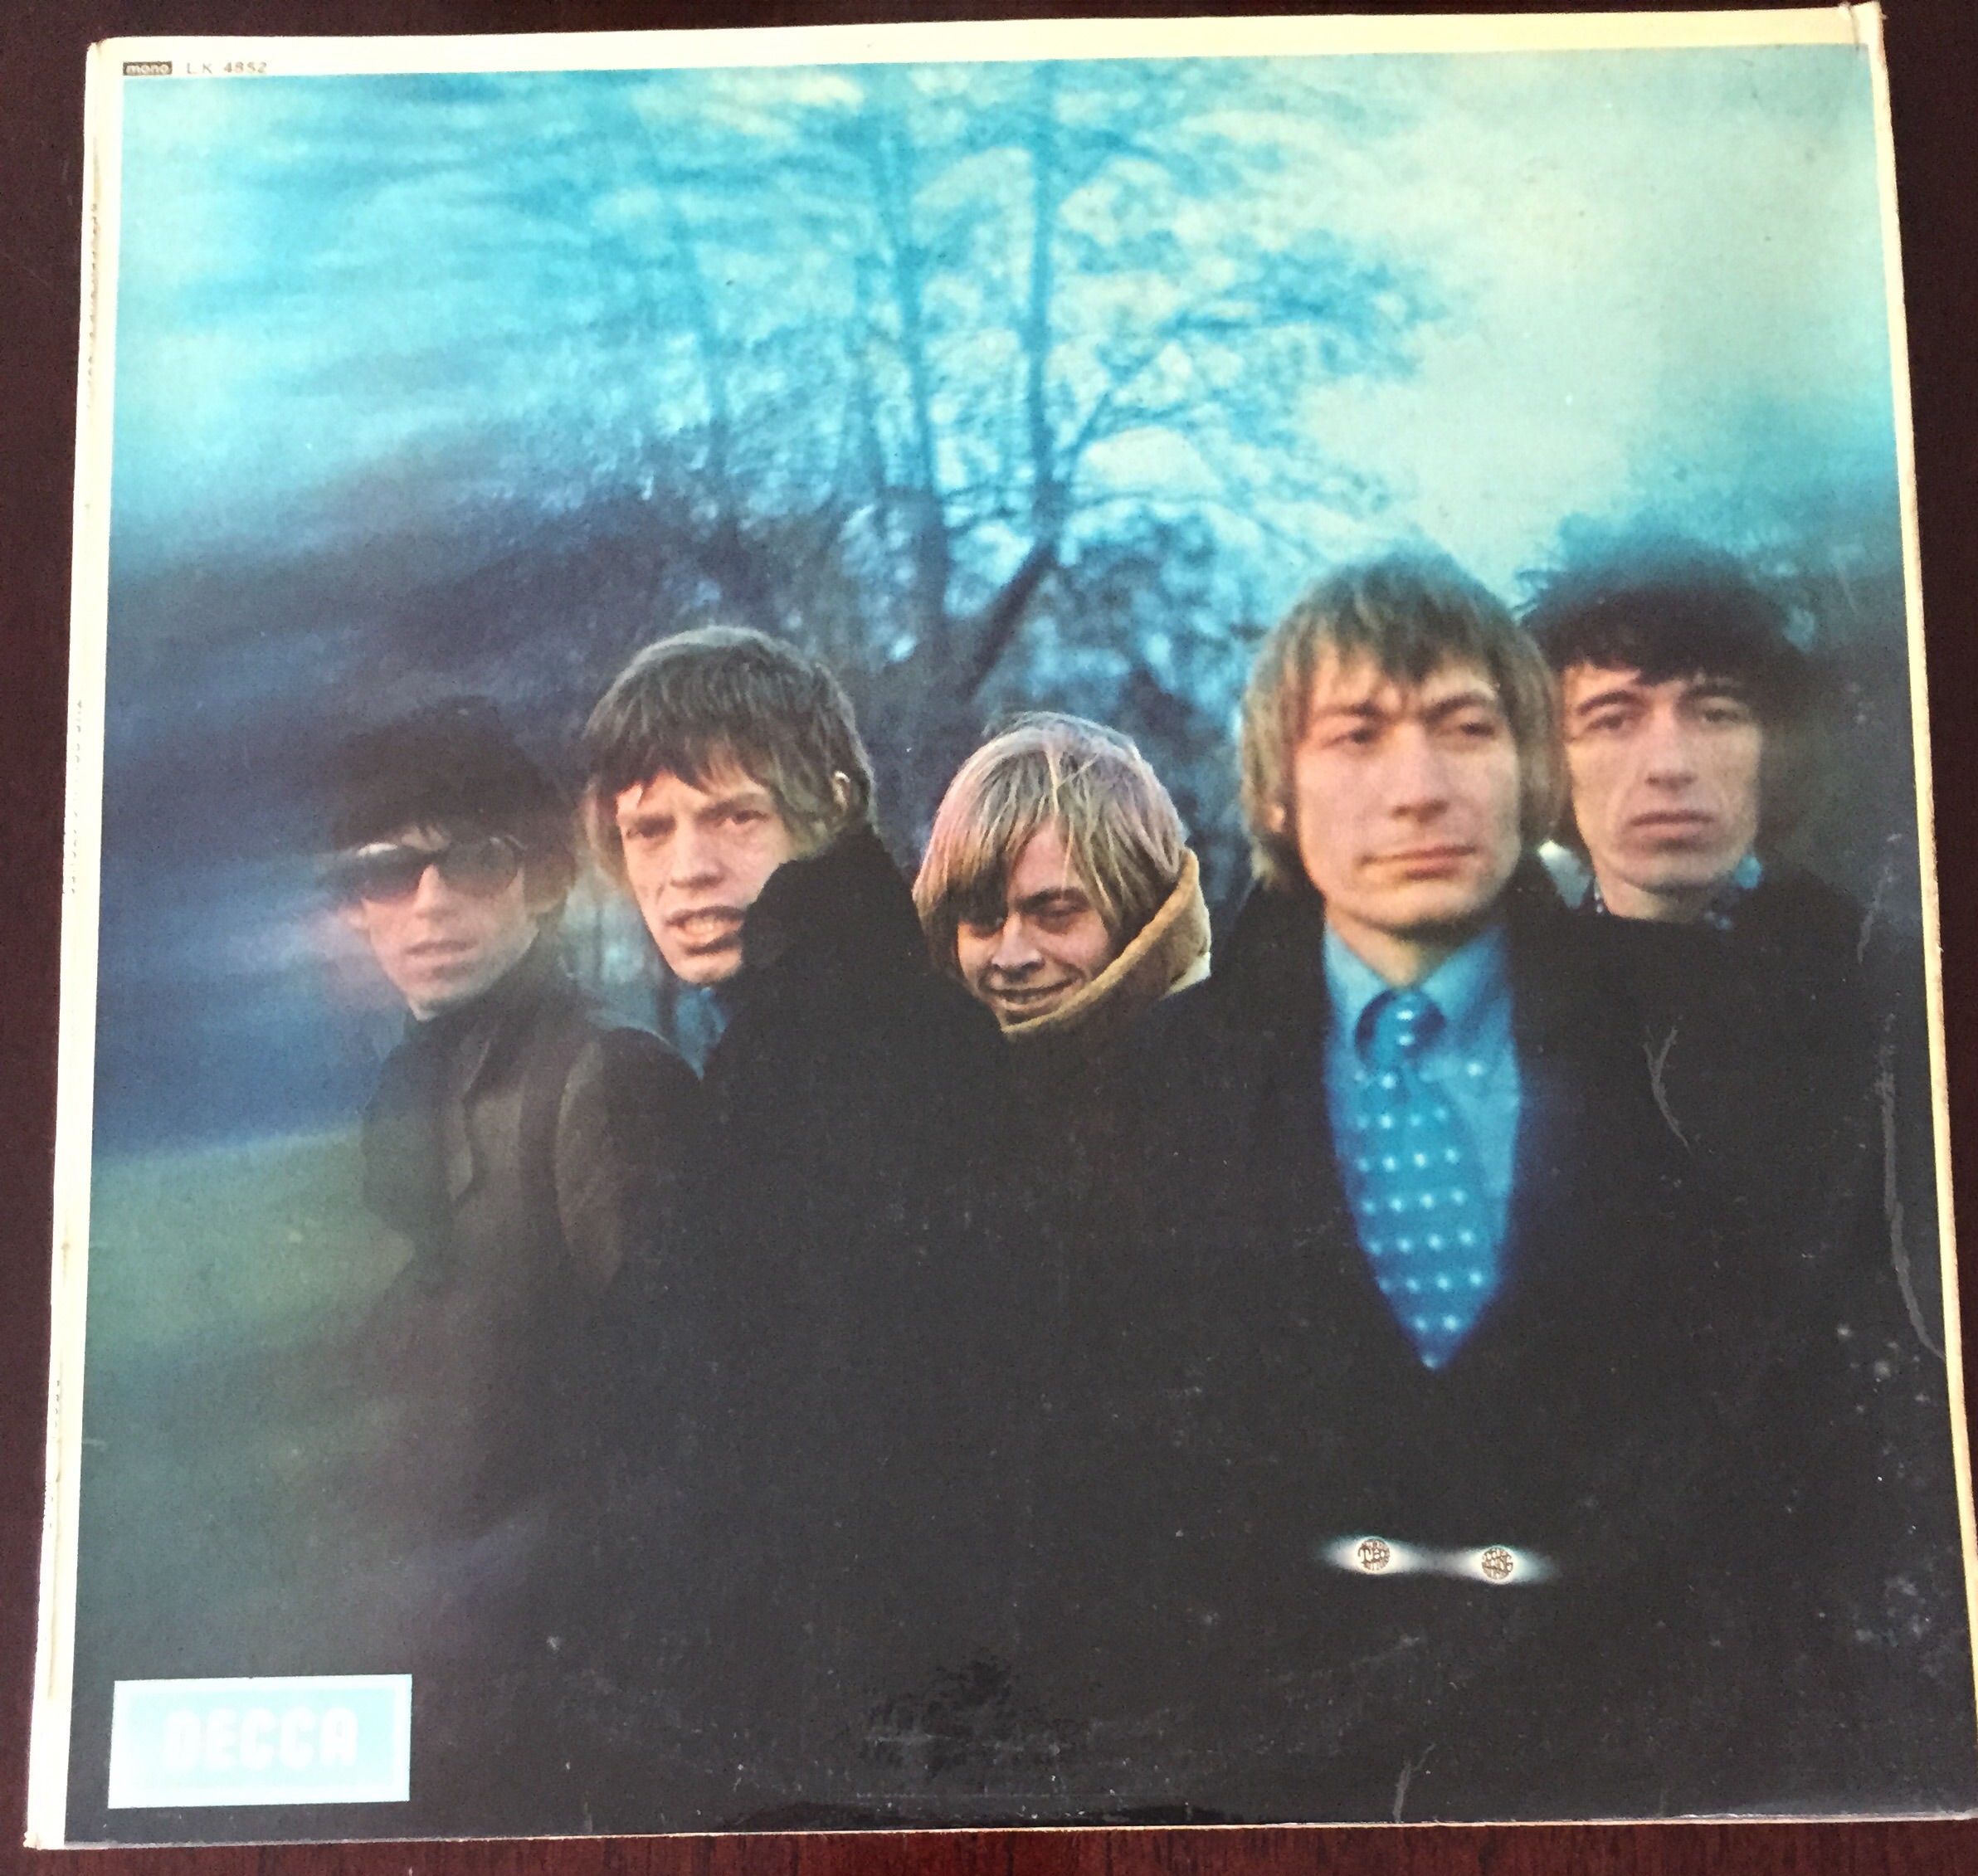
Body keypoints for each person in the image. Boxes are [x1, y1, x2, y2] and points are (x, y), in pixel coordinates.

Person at [1035, 553, 1853, 1822]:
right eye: (1356, 736)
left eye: (1465, 728)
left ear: (1532, 771)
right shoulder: (1147, 1095)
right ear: (1279, 791)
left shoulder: (1709, 1038)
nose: (1417, 788)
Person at [1527, 545, 1971, 1797]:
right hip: (1585, 1679)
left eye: (1714, 710)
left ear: (1773, 743)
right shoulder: (1489, 1015)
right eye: (1611, 717)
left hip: (1862, 1680)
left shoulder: (1897, 990)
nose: (1667, 760)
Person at [578, 626, 1029, 1827]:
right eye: (649, 830)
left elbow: (863, 1479)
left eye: (733, 816)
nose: (687, 868)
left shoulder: (856, 1051)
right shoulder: (783, 1034)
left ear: (828, 808)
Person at [323, 698, 697, 1830]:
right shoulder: (400, 1094)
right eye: (389, 871)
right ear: (355, 906)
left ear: (539, 878)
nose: (430, 903)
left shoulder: (606, 1077)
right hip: (426, 1678)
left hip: (564, 1705)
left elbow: (676, 1438)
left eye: (475, 861)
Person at [914, 712, 1209, 1142]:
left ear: (1138, 913)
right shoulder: (916, 1105)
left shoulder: (1220, 1099)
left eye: (1055, 913)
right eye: (982, 918)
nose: (1011, 957)